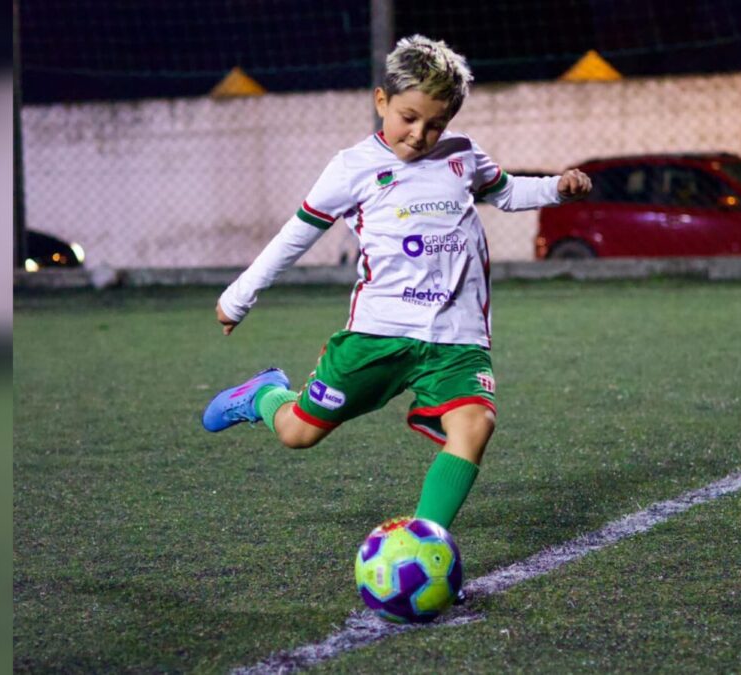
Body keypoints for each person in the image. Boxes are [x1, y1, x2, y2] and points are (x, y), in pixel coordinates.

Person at [203, 35, 591, 532]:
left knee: (475, 425)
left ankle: (427, 542)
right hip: (379, 332)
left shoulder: (463, 155)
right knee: (298, 433)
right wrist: (239, 297)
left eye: (435, 124)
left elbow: (508, 191)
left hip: (457, 336)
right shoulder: (351, 168)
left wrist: (556, 188)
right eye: (409, 117)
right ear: (381, 101)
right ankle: (264, 394)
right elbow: (294, 237)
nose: (419, 134)